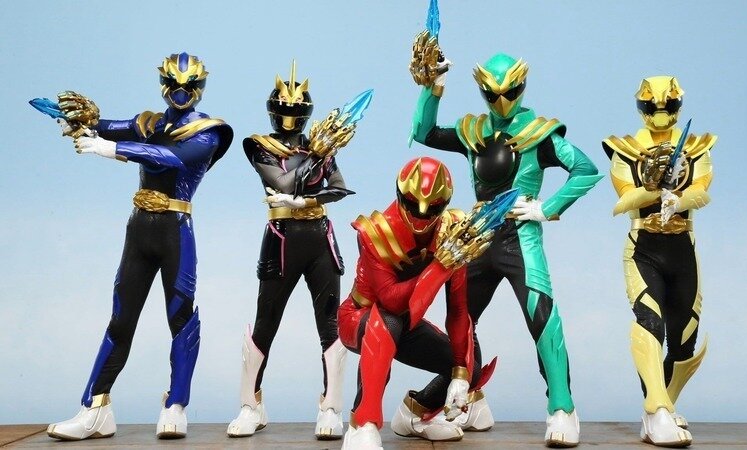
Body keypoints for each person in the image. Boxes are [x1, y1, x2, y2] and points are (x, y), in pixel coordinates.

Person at [408, 32, 602, 447]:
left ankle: (562, 407)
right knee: (460, 323)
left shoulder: (538, 133)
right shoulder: (473, 131)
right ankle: (464, 398)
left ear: (522, 86)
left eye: (510, 92)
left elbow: (586, 170)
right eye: (492, 94)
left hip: (520, 238)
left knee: (541, 316)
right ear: (482, 91)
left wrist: (546, 208)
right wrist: (433, 85)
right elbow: (424, 132)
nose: (501, 102)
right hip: (478, 237)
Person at [45, 52, 232, 440]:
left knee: (180, 318)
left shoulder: (209, 132)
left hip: (175, 231)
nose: (181, 93)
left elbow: (170, 159)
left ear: (201, 87)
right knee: (121, 319)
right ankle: (95, 408)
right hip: (140, 229)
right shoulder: (148, 122)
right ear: (163, 84)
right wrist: (80, 121)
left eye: (190, 86)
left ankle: (176, 404)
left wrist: (109, 149)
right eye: (174, 85)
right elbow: (107, 126)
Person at [227, 62, 357, 440]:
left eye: (295, 111)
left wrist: (308, 196)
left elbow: (339, 188)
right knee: (266, 321)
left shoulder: (319, 147)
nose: (289, 117)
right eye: (284, 110)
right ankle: (250, 404)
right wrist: (316, 156)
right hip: (281, 237)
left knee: (330, 323)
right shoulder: (259, 145)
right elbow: (282, 182)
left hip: (319, 236)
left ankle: (331, 406)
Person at [339, 157, 502, 450]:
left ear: (444, 204)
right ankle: (362, 423)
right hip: (359, 318)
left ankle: (415, 414)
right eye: (413, 205)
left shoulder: (452, 232)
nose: (421, 215)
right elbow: (390, 300)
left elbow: (458, 310)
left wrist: (461, 374)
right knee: (388, 321)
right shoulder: (376, 232)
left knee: (469, 368)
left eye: (433, 208)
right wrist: (440, 266)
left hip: (407, 323)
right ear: (400, 195)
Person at [602, 75, 715, 447]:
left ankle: (664, 406)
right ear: (643, 107)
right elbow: (622, 201)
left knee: (684, 338)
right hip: (644, 247)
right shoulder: (626, 149)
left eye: (668, 106)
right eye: (654, 106)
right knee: (650, 322)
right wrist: (651, 189)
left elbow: (702, 192)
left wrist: (677, 200)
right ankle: (657, 407)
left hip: (683, 246)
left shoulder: (696, 147)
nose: (661, 112)